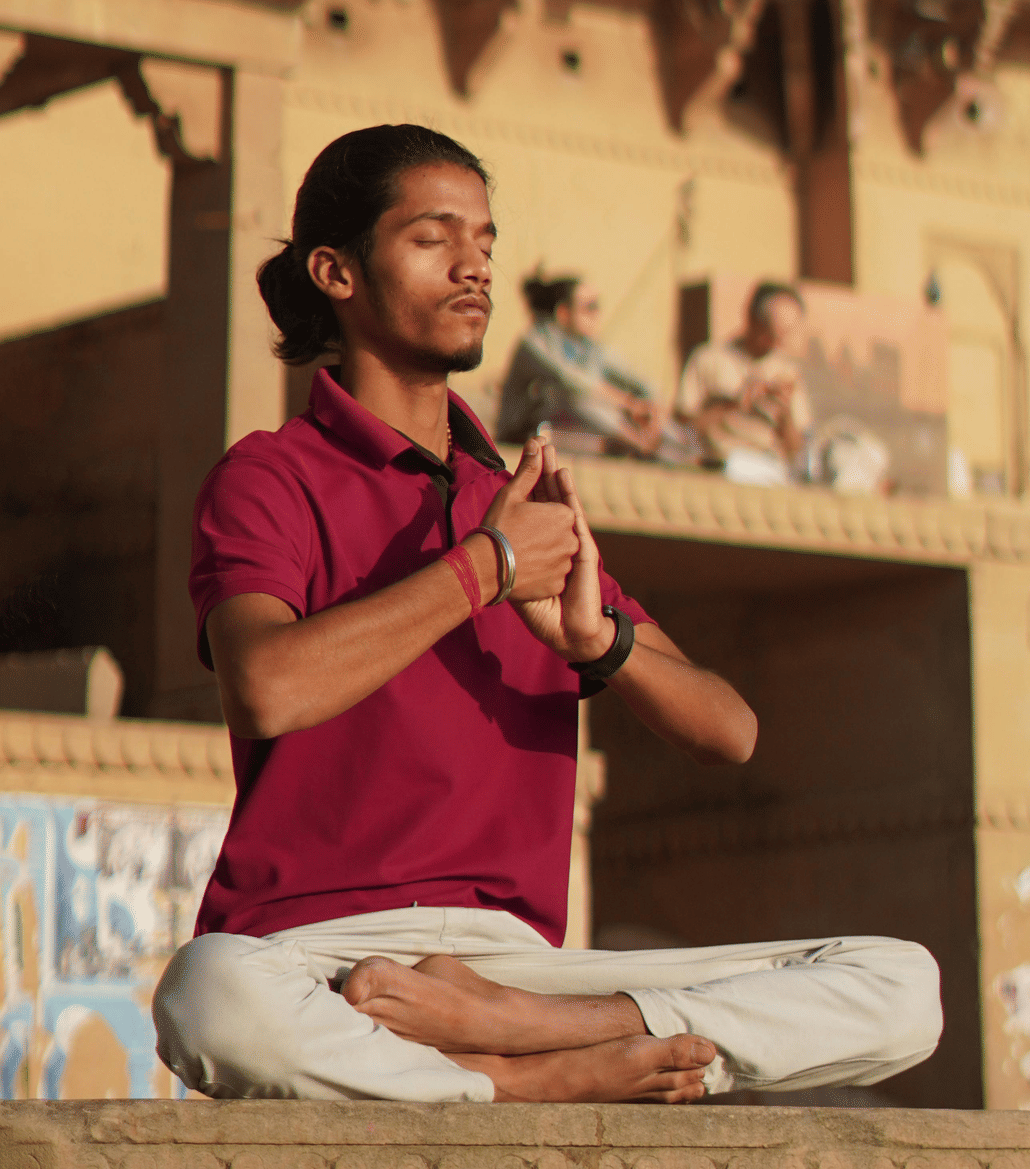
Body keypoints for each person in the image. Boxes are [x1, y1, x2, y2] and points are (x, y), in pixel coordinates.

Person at [150, 124, 941, 1105]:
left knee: (902, 982)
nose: (474, 262)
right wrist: (486, 565)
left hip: (513, 971)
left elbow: (728, 728)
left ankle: (530, 1039)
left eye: (484, 238)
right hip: (313, 958)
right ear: (336, 271)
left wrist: (600, 644)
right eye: (434, 236)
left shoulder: (520, 495)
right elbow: (266, 684)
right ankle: (524, 1082)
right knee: (205, 993)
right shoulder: (271, 476)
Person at [496, 273, 697, 465]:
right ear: (564, 313)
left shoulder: (588, 347)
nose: (597, 314)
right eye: (590, 307)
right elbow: (575, 384)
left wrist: (651, 407)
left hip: (568, 432)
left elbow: (638, 379)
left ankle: (686, 451)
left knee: (641, 412)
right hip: (523, 434)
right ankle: (639, 445)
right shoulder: (535, 342)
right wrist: (628, 404)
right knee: (576, 398)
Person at [676, 283, 814, 487]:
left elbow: (797, 449)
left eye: (784, 335)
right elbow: (682, 429)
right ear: (753, 320)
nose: (775, 343)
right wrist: (734, 404)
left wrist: (784, 414)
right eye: (770, 333)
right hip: (720, 466)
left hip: (770, 468)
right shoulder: (709, 360)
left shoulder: (787, 372)